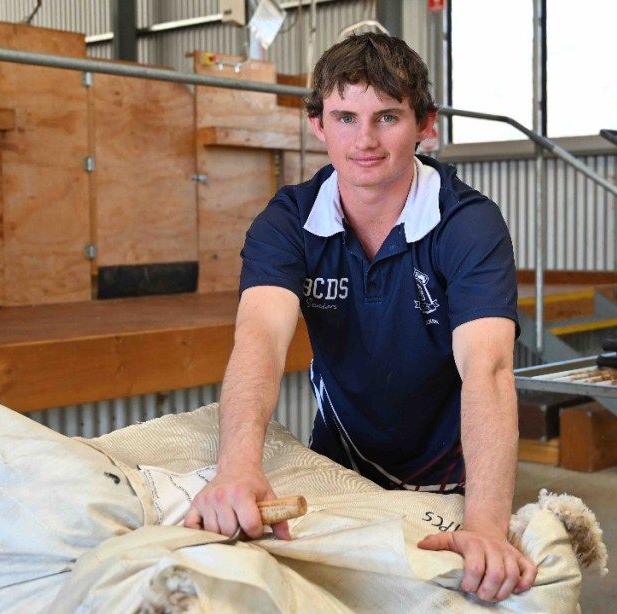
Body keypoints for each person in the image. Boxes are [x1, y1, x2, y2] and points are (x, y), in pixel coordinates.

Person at [185, 32, 536, 603]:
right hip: (340, 471)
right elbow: (260, 340)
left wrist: (488, 525)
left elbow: (490, 369)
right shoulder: (287, 221)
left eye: (388, 117)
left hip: (451, 484)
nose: (365, 140)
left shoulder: (468, 223)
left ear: (425, 124)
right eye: (345, 117)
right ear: (318, 124)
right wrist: (237, 469)